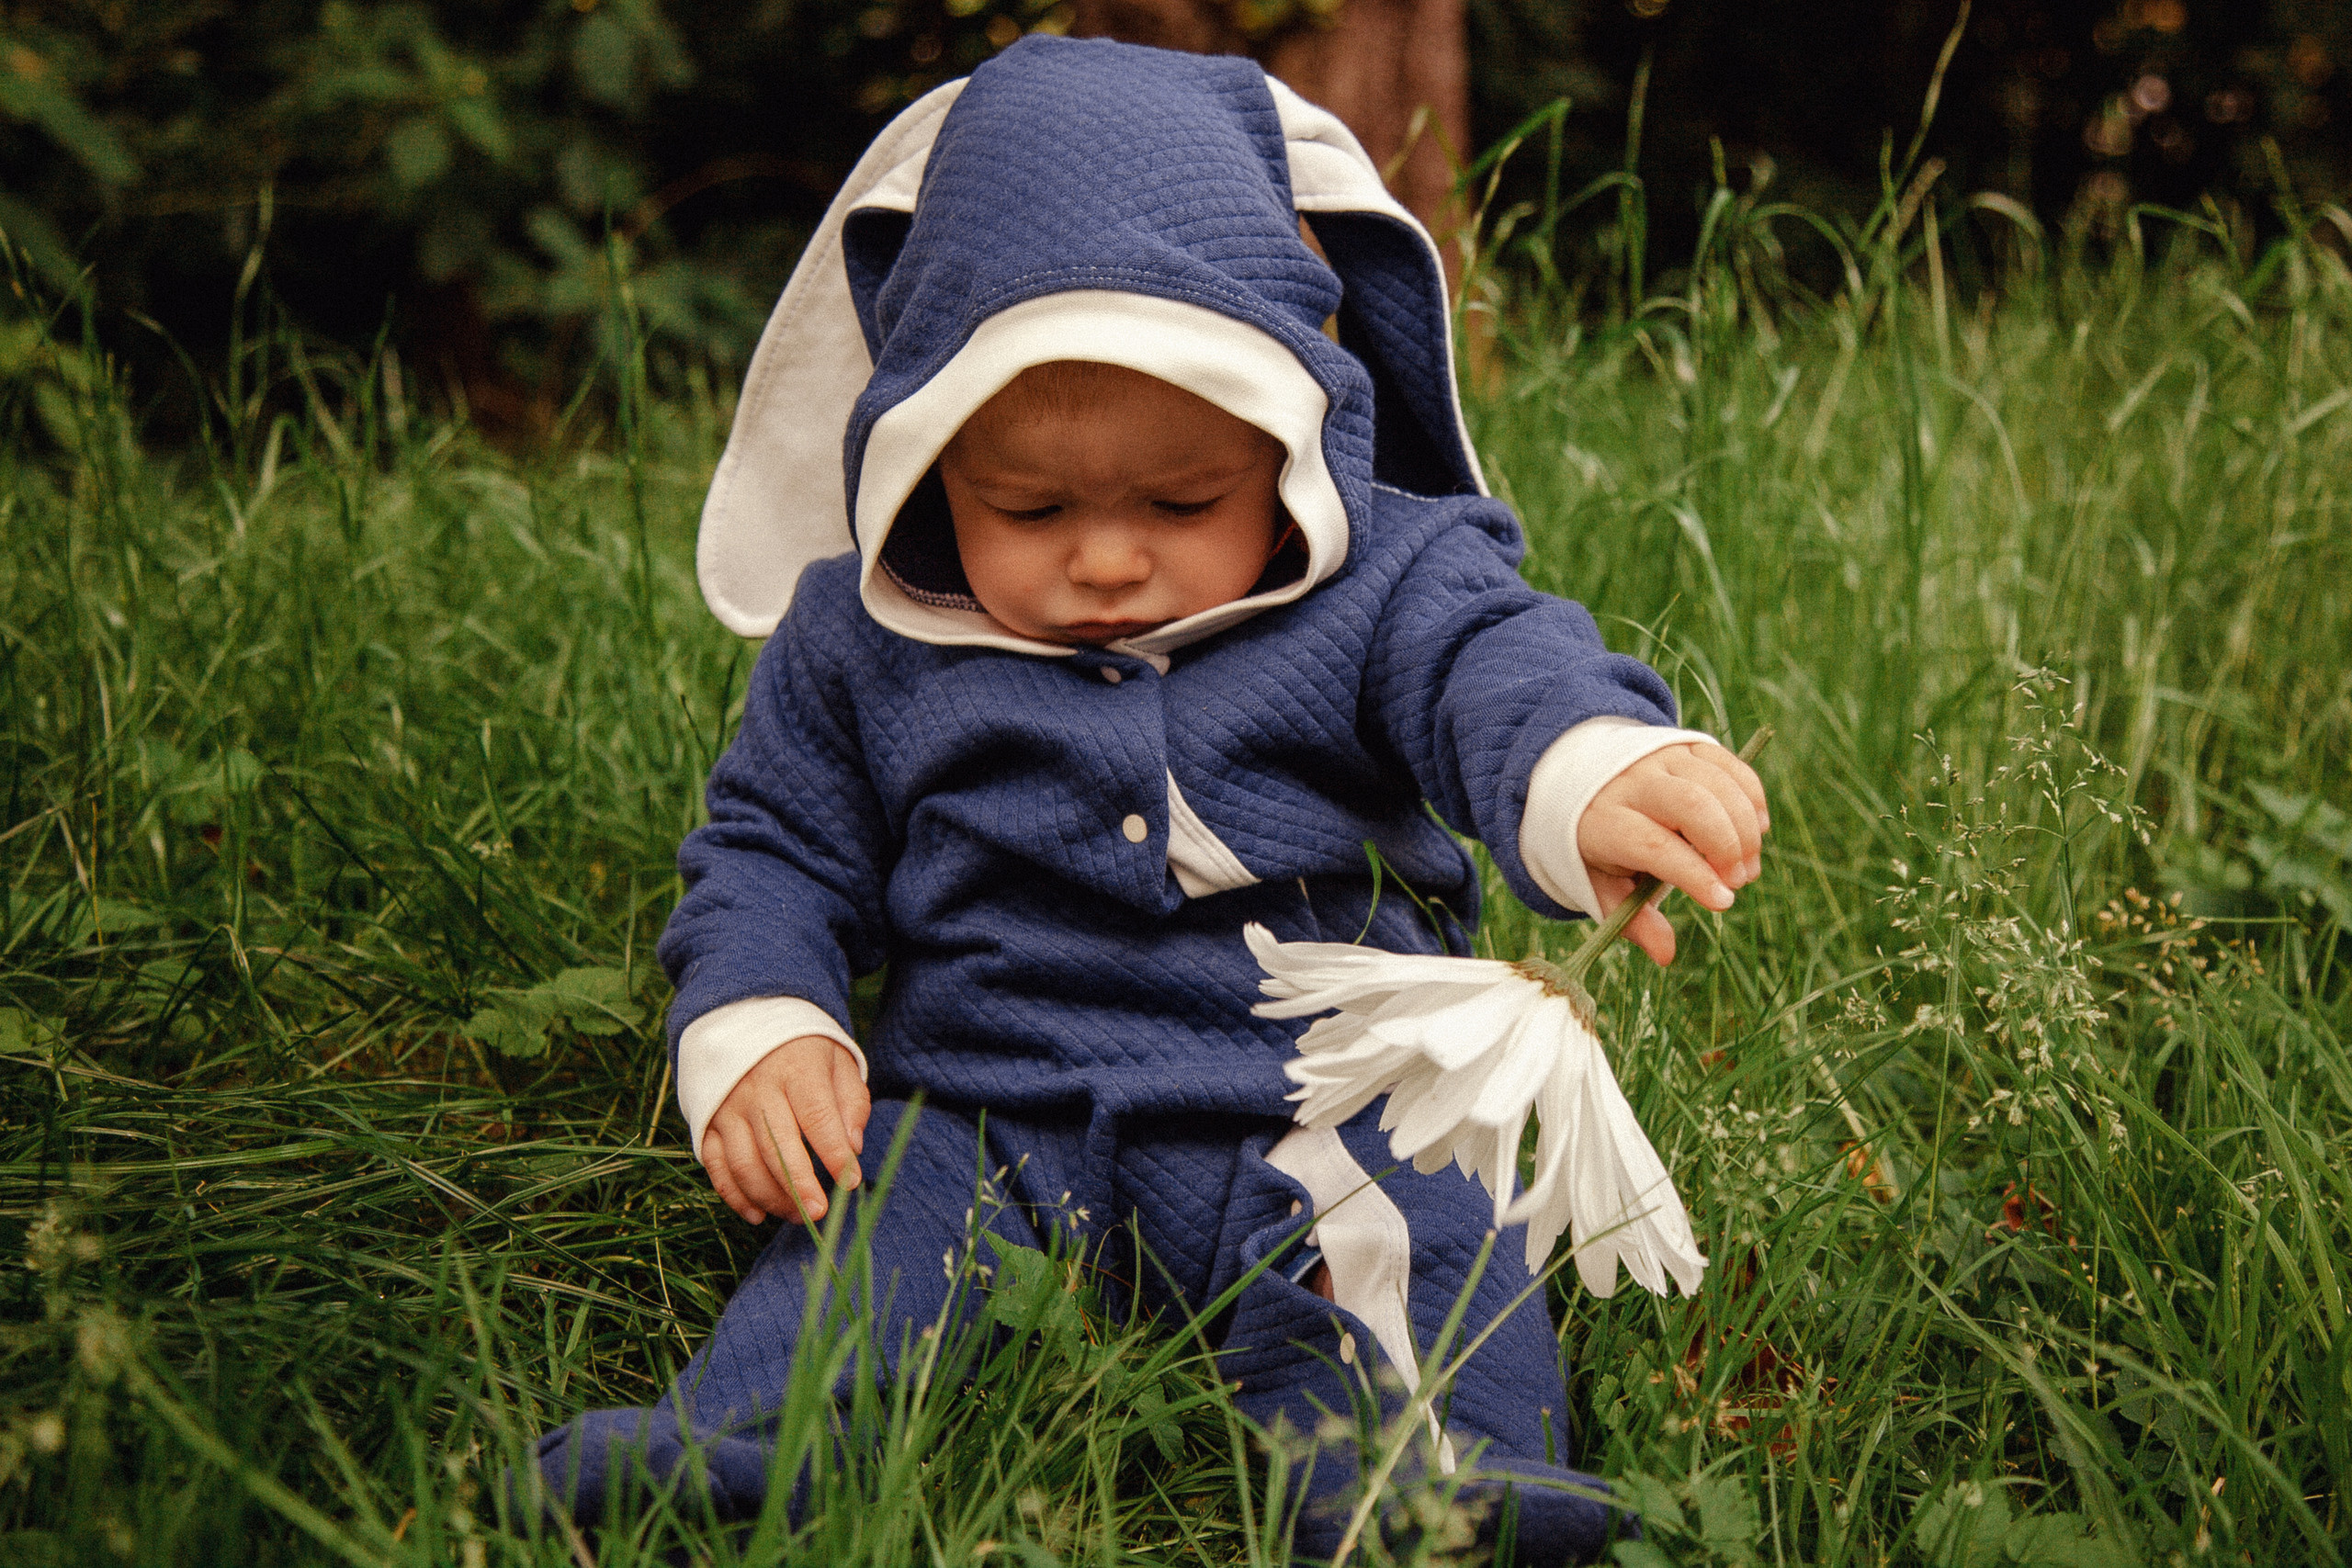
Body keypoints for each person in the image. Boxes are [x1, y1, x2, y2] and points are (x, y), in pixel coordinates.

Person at [535, 34, 1767, 1564]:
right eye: (1028, 507)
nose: (1106, 560)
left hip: (1323, 1085)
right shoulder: (856, 640)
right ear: (923, 462)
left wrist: (1588, 771)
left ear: (1295, 432)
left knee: (1420, 1233)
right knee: (867, 1252)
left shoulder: (1384, 577)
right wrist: (765, 1022)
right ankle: (729, 1464)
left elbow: (1493, 667)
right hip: (989, 1105)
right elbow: (771, 849)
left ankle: (1426, 1493)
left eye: (1185, 502)